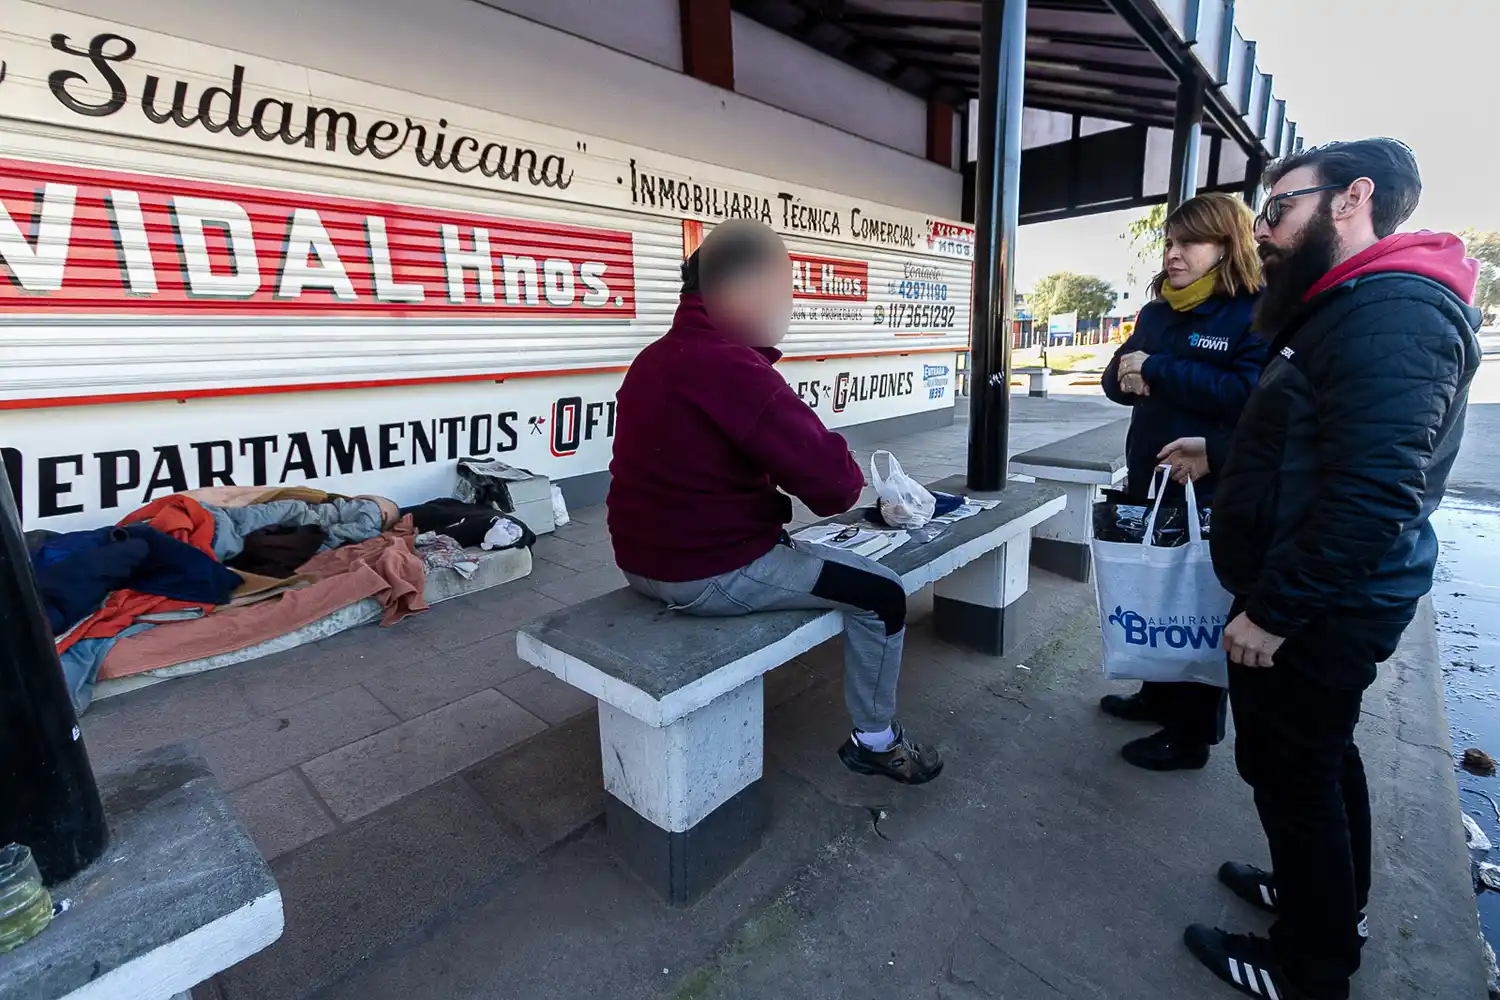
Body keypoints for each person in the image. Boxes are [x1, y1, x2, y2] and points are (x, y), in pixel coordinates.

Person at [1160, 139, 1482, 1000]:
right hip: (1319, 592)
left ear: (1352, 199)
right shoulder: (1354, 302)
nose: (1262, 231)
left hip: (1322, 604)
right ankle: (1330, 902)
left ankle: (1311, 964)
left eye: (1279, 209)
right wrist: (1221, 451)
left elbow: (1373, 494)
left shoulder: (1392, 312)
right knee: (1320, 760)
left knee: (1293, 773)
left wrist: (1273, 613)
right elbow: (1314, 443)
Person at [606, 219, 943, 786]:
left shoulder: (655, 357)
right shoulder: (733, 366)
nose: (786, 304)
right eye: (783, 288)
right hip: (706, 572)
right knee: (882, 596)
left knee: (826, 564)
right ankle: (876, 742)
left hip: (642, 564)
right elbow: (835, 489)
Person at [1098, 192, 1267, 772]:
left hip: (1213, 486)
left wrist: (1159, 371)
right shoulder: (1156, 311)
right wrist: (1130, 374)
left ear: (1227, 246)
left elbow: (1250, 397)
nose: (1173, 253)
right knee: (1152, 591)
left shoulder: (1252, 310)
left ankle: (1190, 736)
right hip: (1152, 475)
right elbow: (1115, 377)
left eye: (1189, 242)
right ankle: (1155, 695)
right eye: (1170, 242)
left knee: (1197, 605)